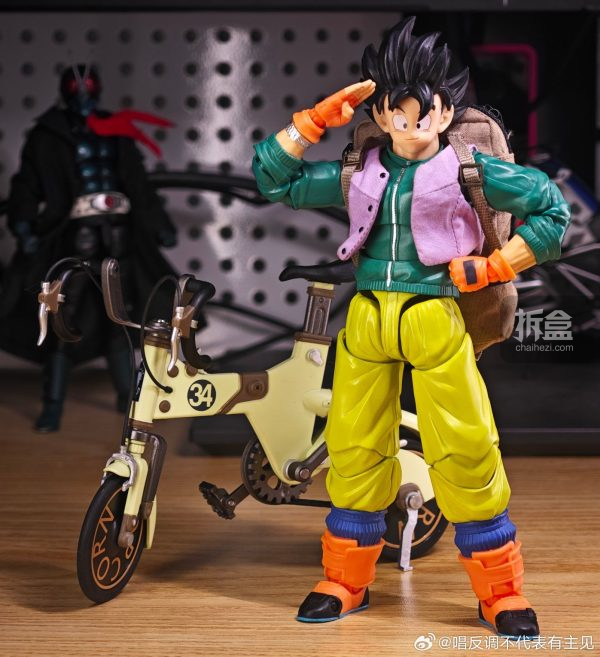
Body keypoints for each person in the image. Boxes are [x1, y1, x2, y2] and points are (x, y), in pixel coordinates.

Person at [252, 18, 570, 638]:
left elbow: (551, 211)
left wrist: (497, 265)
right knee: (352, 449)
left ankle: (501, 593)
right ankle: (345, 580)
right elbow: (275, 180)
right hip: (369, 318)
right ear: (380, 113)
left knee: (467, 450)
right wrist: (310, 123)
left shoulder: (471, 170)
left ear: (446, 112)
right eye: (396, 113)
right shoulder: (359, 171)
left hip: (434, 316)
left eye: (422, 113)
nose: (409, 125)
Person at [2, 64, 177, 432]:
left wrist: (159, 225)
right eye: (75, 87)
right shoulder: (48, 135)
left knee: (120, 321)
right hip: (75, 239)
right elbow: (26, 184)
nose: (82, 93)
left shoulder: (115, 131)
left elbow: (138, 184)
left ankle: (127, 399)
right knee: (62, 321)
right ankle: (52, 406)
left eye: (88, 86)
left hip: (119, 236)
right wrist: (23, 225)